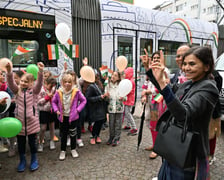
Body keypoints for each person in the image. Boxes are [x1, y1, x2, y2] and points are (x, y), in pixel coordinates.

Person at [143, 46, 219, 179]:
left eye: (192, 64)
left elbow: (183, 115)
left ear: (207, 67)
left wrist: (163, 85)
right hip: (174, 146)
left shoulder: (208, 87)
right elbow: (168, 90)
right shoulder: (189, 83)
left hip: (189, 154)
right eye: (184, 64)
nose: (185, 68)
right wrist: (150, 71)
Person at [6, 62, 44, 172]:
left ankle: (34, 159)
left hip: (32, 122)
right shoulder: (17, 90)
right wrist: (9, 72)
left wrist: (40, 72)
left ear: (32, 83)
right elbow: (11, 83)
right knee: (21, 144)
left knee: (33, 143)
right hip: (19, 123)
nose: (23, 83)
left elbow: (40, 83)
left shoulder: (34, 91)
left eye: (26, 82)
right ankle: (22, 160)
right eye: (22, 81)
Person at [52, 73, 86, 160]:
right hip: (63, 117)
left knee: (73, 134)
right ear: (62, 83)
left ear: (72, 83)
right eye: (65, 82)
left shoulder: (76, 91)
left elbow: (83, 101)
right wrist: (56, 110)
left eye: (69, 82)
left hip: (73, 117)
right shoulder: (58, 92)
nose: (67, 84)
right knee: (63, 135)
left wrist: (77, 110)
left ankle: (73, 149)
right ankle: (62, 150)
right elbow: (53, 102)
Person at [143, 51, 169, 159]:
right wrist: (143, 94)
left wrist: (148, 92)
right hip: (150, 102)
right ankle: (155, 144)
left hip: (157, 102)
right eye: (154, 58)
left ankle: (157, 148)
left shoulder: (164, 71)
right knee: (150, 123)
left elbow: (162, 87)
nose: (156, 60)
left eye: (158, 58)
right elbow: (145, 84)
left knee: (155, 124)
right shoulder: (151, 70)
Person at [85, 70, 107, 144]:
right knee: (96, 122)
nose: (97, 76)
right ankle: (93, 136)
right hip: (95, 108)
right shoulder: (90, 86)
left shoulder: (98, 84)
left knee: (100, 122)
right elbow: (88, 98)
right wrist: (99, 97)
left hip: (101, 107)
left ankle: (97, 135)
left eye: (97, 75)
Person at [37, 76, 57, 152]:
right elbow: (38, 102)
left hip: (51, 110)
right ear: (45, 83)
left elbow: (56, 99)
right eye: (50, 85)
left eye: (53, 86)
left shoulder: (54, 89)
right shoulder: (41, 90)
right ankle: (41, 142)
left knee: (52, 127)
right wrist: (46, 98)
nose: (51, 87)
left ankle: (52, 140)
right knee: (43, 128)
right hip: (43, 111)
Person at [105, 71, 124, 146]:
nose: (113, 76)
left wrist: (123, 98)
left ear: (118, 78)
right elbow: (105, 94)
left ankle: (116, 139)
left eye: (115, 75)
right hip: (111, 107)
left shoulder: (121, 85)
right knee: (111, 123)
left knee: (118, 124)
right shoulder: (108, 84)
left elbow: (125, 96)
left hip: (119, 107)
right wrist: (106, 95)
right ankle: (111, 137)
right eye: (113, 75)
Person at [208, 70, 222, 165]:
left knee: (212, 135)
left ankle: (211, 155)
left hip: (213, 111)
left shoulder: (215, 75)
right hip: (204, 109)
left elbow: (215, 94)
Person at [122, 67, 138, 135]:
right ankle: (128, 125)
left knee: (128, 113)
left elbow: (129, 90)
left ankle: (134, 128)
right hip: (129, 99)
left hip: (129, 100)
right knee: (127, 112)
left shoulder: (130, 81)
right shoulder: (130, 80)